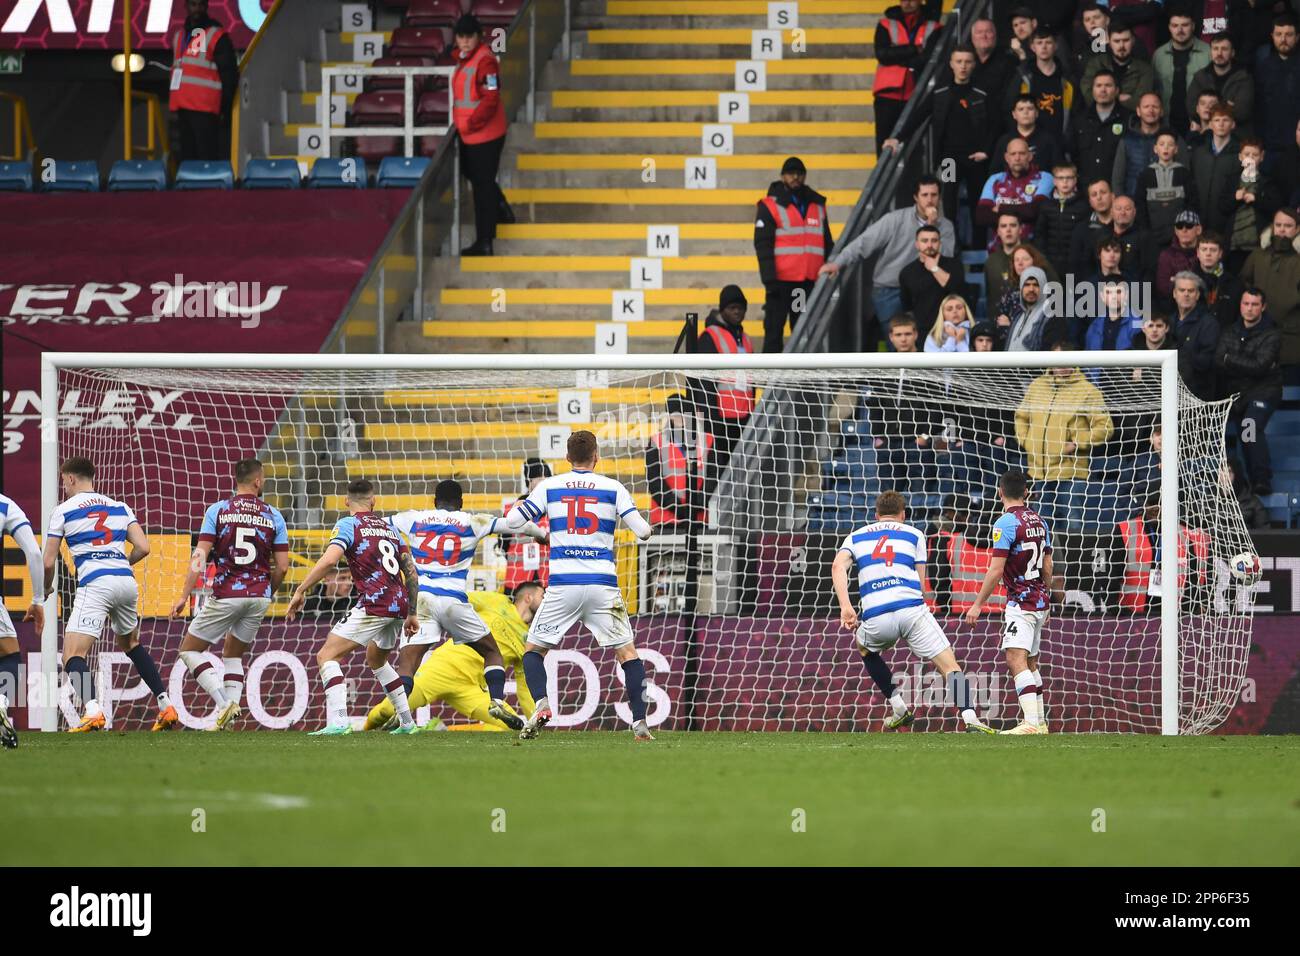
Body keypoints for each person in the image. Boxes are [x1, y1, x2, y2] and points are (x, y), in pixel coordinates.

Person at [501, 430, 656, 742]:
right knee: (627, 654)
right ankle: (640, 724)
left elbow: (513, 521)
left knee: (533, 651)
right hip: (602, 584)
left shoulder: (550, 485)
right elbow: (643, 532)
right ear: (597, 456)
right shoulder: (613, 488)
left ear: (567, 458)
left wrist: (538, 528)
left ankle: (542, 703)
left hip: (562, 584)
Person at [384, 478, 547, 730]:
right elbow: (516, 525)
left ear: (434, 501)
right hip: (453, 599)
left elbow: (379, 527)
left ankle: (402, 712)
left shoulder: (413, 518)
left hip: (422, 600)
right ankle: (496, 701)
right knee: (491, 652)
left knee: (408, 661)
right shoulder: (472, 521)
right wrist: (542, 535)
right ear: (460, 503)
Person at [831, 490, 995, 734]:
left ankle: (898, 708)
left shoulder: (856, 537)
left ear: (876, 515)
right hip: (912, 610)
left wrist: (846, 606)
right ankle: (971, 719)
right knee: (950, 666)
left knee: (865, 648)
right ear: (903, 514)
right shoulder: (915, 534)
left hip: (877, 614)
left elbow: (837, 566)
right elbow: (920, 578)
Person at [41, 457, 171, 733]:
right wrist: (120, 563)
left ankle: (92, 711)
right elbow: (144, 547)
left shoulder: (63, 510)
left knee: (72, 655)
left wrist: (45, 588)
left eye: (64, 481)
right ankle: (165, 705)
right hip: (126, 582)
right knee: (131, 644)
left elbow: (49, 561)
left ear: (71, 479)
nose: (63, 486)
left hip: (95, 583)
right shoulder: (119, 506)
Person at [286, 480, 421, 736]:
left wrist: (300, 589)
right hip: (398, 603)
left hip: (375, 602)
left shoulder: (348, 525)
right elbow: (410, 572)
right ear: (374, 501)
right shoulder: (390, 530)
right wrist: (411, 612)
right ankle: (407, 723)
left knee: (326, 656)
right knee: (377, 659)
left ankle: (338, 721)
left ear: (346, 501)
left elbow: (329, 561)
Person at [166, 458, 288, 731]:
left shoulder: (218, 511)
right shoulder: (273, 514)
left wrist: (184, 595)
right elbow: (282, 566)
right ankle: (229, 721)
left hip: (227, 593)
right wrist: (269, 592)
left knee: (188, 650)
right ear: (258, 481)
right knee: (233, 654)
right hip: (258, 596)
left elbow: (200, 556)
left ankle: (224, 704)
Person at [363, 584, 544, 733]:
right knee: (387, 710)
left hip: (472, 688)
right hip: (442, 669)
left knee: (510, 727)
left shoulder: (527, 640)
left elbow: (525, 687)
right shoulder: (498, 602)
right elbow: (459, 599)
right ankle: (365, 731)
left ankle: (442, 729)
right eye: (542, 596)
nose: (546, 601)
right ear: (528, 597)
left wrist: (534, 720)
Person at [963, 470, 1063, 735]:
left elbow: (996, 570)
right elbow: (1048, 564)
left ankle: (1030, 722)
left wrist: (977, 605)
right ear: (1026, 492)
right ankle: (1040, 722)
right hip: (1039, 601)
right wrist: (1047, 596)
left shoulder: (1005, 523)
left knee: (1015, 658)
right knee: (1031, 662)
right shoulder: (1039, 521)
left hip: (1021, 602)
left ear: (1000, 492)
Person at [818, 175, 955, 346]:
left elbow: (946, 260)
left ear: (939, 197)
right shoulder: (895, 219)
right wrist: (838, 262)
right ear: (915, 197)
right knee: (899, 346)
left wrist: (932, 226)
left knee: (926, 346)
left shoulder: (946, 226)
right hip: (890, 290)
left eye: (934, 195)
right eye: (925, 195)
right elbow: (864, 242)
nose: (929, 200)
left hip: (926, 292)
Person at [883, 45, 994, 233]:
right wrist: (898, 138)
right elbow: (918, 116)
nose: (963, 66)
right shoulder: (940, 92)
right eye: (959, 62)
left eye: (967, 62)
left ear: (974, 64)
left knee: (978, 203)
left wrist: (986, 151)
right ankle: (952, 246)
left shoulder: (982, 92)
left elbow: (995, 123)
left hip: (975, 157)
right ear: (951, 64)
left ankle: (978, 250)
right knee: (949, 200)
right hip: (949, 158)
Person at [1013, 342, 1115, 526]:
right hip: (1039, 471)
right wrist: (1027, 441)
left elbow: (1105, 427)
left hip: (1071, 471)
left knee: (1072, 523)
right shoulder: (1037, 386)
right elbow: (1021, 416)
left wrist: (1077, 443)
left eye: (1065, 360)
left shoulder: (1087, 390)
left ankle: (1073, 557)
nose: (1060, 365)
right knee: (1040, 525)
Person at [754, 156, 833, 352]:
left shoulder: (816, 204)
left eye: (799, 174)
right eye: (791, 174)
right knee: (774, 330)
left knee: (800, 329)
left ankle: (799, 379)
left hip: (803, 284)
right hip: (779, 284)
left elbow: (827, 241)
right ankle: (770, 380)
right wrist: (769, 281)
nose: (795, 177)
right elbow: (763, 245)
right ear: (782, 176)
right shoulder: (770, 205)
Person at [452, 14, 514, 257]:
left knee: (482, 187)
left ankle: (485, 241)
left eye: (469, 37)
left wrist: (470, 124)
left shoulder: (485, 61)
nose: (465, 41)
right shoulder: (465, 59)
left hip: (485, 134)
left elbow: (491, 99)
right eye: (461, 37)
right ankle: (500, 207)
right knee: (476, 178)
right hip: (471, 134)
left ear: (478, 37)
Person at [1216, 288, 1282, 493]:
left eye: (1254, 304)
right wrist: (1243, 364)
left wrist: (1231, 360)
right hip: (1237, 395)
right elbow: (1218, 360)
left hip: (1263, 391)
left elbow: (1260, 366)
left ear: (1263, 307)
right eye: (1246, 303)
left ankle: (1262, 480)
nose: (1249, 309)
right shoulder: (1230, 330)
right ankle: (1243, 484)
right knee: (1243, 432)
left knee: (1249, 426)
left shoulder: (1272, 334)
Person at [693, 285, 756, 475]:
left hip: (743, 417)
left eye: (740, 307)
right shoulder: (710, 336)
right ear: (722, 310)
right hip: (721, 420)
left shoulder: (745, 339)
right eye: (732, 308)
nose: (737, 311)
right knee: (721, 472)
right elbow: (704, 382)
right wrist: (712, 420)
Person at [0, 492, 44, 748]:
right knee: (9, 655)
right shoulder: (6, 505)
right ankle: (1, 704)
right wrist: (38, 599)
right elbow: (35, 554)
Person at [168, 0, 237, 162]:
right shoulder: (179, 36)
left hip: (205, 108)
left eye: (200, 5)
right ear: (186, 7)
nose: (197, 9)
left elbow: (229, 75)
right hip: (181, 106)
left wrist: (225, 109)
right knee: (186, 157)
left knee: (207, 157)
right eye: (193, 4)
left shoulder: (216, 35)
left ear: (206, 7)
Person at [872, 0, 944, 152]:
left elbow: (926, 58)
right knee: (884, 144)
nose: (908, 3)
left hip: (916, 93)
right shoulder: (885, 24)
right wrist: (914, 49)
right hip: (887, 94)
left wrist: (897, 54)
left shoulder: (933, 27)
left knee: (915, 147)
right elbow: (882, 55)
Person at [1240, 207, 1300, 365]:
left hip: (1291, 337)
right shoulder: (1258, 255)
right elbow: (1244, 284)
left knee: (1289, 387)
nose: (1282, 230)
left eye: (1288, 226)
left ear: (1297, 229)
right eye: (1278, 224)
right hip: (1258, 333)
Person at [647, 394, 712, 527]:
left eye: (683, 413)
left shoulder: (708, 441)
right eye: (675, 414)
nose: (680, 418)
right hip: (666, 520)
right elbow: (655, 483)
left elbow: (713, 479)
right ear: (669, 415)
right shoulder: (656, 441)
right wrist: (680, 509)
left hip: (700, 519)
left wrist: (696, 506)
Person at [975, 137, 1055, 241]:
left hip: (1032, 249)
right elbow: (981, 216)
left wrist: (1001, 208)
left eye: (1022, 153)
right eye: (1013, 154)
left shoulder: (1044, 178)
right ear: (1006, 158)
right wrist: (1023, 211)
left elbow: (1035, 211)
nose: (1017, 158)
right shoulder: (995, 179)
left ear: (1030, 156)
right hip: (998, 250)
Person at [1220, 137, 1282, 272]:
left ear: (1262, 157)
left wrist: (1256, 199)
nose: (1251, 158)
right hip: (1234, 244)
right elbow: (1222, 207)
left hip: (1258, 244)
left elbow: (1275, 207)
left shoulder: (1267, 181)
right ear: (1240, 157)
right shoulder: (1231, 180)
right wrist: (1235, 198)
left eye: (1255, 155)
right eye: (1247, 154)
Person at [1010, 26, 1078, 144]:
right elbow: (1009, 109)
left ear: (1056, 46)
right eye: (1039, 43)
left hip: (1060, 146)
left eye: (1048, 42)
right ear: (1033, 47)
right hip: (1029, 146)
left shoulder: (1068, 80)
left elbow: (1076, 114)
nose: (1044, 47)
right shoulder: (1023, 77)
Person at [898, 224, 969, 335]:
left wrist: (934, 268)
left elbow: (957, 290)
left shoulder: (954, 265)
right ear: (917, 244)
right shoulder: (907, 272)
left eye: (934, 241)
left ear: (939, 243)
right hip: (922, 332)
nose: (929, 245)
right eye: (925, 241)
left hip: (952, 329)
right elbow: (907, 307)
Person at [1253, 14, 1300, 171]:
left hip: (1296, 144)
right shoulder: (1262, 64)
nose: (1283, 39)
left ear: (1297, 37)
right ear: (1272, 36)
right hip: (1267, 142)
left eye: (1289, 34)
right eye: (1279, 34)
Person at [1153, 11, 1212, 134]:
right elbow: (1154, 90)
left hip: (1199, 125)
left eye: (1185, 25)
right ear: (1169, 27)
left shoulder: (1208, 52)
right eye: (1175, 26)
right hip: (1166, 124)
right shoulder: (1159, 55)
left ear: (1193, 26)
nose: (1180, 30)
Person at [1073, 70, 1133, 189]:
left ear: (1117, 91)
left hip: (1118, 189)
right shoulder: (1080, 119)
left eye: (1108, 85)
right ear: (1093, 90)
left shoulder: (1129, 119)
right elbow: (1072, 154)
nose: (1103, 90)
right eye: (1098, 85)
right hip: (1086, 190)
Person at [1185, 33, 1254, 134]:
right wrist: (1228, 105)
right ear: (1210, 52)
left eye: (1224, 49)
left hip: (1236, 137)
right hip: (1205, 136)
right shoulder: (1200, 76)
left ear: (1232, 53)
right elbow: (1191, 107)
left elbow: (1242, 112)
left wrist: (1206, 107)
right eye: (1215, 49)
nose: (1219, 53)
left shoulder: (1244, 77)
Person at [1190, 103, 1243, 234]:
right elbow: (1191, 185)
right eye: (1217, 120)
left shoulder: (1242, 155)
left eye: (1225, 120)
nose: (1221, 124)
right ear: (1210, 124)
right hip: (1198, 221)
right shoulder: (1198, 153)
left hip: (1227, 223)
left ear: (1233, 124)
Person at [502, 458, 551, 593]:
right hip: (517, 580)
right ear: (529, 481)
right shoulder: (510, 511)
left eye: (547, 478)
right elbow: (503, 545)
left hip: (548, 580)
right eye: (540, 478)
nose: (545, 481)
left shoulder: (554, 510)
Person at [1172, 271, 1223, 400]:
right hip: (1169, 390)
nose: (1186, 294)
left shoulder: (1209, 324)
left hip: (1196, 395)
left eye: (1191, 290)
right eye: (1182, 290)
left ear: (1197, 295)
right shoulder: (1168, 321)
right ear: (1174, 294)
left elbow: (1206, 362)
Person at [1081, 25, 1157, 109]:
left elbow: (1142, 101)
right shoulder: (1096, 63)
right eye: (1116, 41)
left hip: (1132, 119)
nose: (1121, 46)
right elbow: (1087, 93)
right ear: (1109, 43)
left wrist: (1106, 99)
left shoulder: (1144, 69)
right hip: (1099, 118)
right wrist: (1119, 98)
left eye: (1126, 40)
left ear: (1133, 41)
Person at [1036, 165, 1091, 276]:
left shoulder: (1083, 206)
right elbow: (1040, 235)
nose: (1065, 182)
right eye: (1061, 178)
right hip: (1050, 264)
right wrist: (1043, 259)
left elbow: (1086, 237)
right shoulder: (1046, 205)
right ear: (1055, 181)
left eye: (1069, 178)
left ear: (1075, 180)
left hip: (1075, 265)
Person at [992, 96, 1066, 177]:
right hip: (1009, 187)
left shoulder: (1048, 140)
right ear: (1014, 114)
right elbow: (995, 172)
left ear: (1037, 113)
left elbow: (1059, 170)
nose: (1026, 112)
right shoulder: (1004, 141)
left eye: (1030, 109)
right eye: (1021, 109)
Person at [1112, 92, 1168, 199]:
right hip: (1133, 203)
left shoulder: (1172, 139)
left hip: (1163, 202)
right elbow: (1117, 179)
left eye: (1155, 107)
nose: (1151, 110)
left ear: (1161, 111)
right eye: (1146, 106)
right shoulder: (1127, 140)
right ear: (1138, 111)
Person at [1194, 230, 1244, 324]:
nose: (1208, 254)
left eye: (1213, 250)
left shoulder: (1234, 284)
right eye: (1204, 249)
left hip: (1224, 334)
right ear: (1198, 253)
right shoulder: (1187, 281)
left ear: (1220, 253)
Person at [1069, 177, 1118, 272]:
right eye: (1094, 195)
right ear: (1090, 202)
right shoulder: (1081, 230)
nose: (1099, 198)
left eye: (1103, 192)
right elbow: (1074, 266)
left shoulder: (1124, 226)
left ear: (1113, 196)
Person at [1156, 209, 1204, 303]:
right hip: (1172, 306)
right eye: (1179, 226)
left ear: (1198, 230)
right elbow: (1163, 288)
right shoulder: (1166, 255)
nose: (1184, 230)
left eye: (1189, 226)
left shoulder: (1207, 251)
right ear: (1175, 231)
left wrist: (1176, 280)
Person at [1085, 280, 1145, 350]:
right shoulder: (1095, 325)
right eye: (1108, 292)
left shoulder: (1137, 325)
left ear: (1126, 295)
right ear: (1102, 296)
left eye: (1118, 292)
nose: (1114, 297)